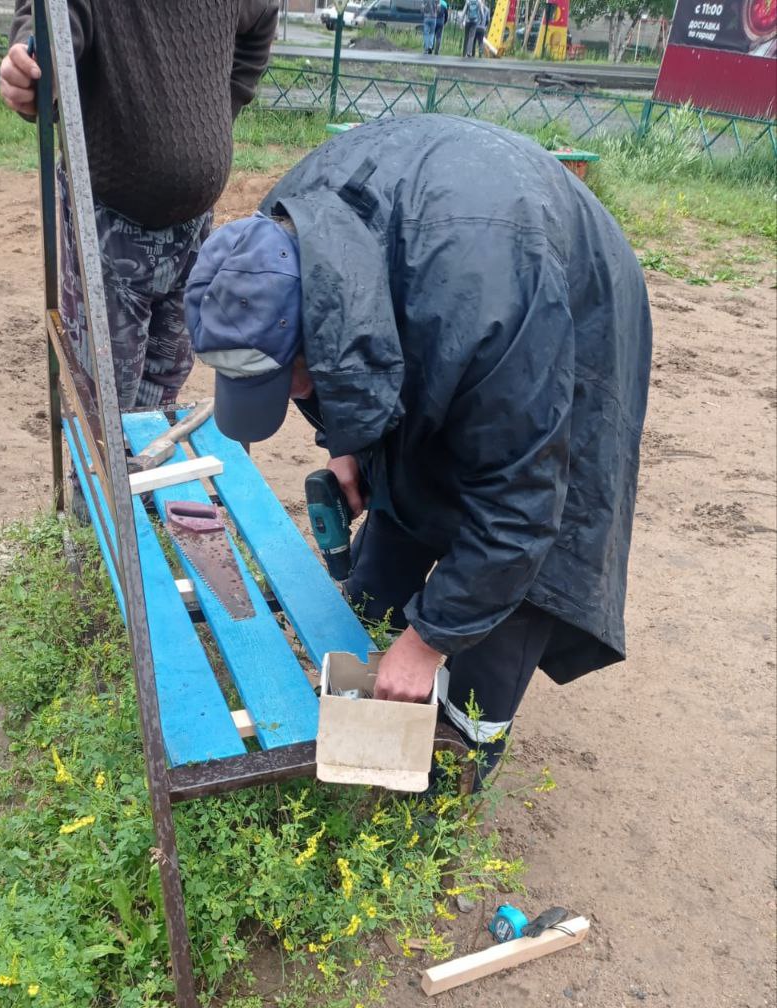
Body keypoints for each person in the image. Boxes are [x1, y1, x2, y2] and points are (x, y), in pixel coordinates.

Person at [184, 116, 651, 783]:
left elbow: (520, 502)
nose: (287, 397)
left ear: (316, 331)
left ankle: (457, 765)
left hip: (559, 295)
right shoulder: (275, 238)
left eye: (285, 378)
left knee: (520, 552)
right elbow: (359, 360)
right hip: (444, 261)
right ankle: (388, 651)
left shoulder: (485, 305)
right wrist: (344, 442)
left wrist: (429, 642)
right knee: (398, 508)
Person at [0, 1, 278, 412]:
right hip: (110, 223)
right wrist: (37, 69)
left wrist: (221, 106)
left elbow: (262, 17)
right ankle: (103, 456)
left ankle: (144, 453)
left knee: (164, 385)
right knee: (105, 398)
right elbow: (56, 22)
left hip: (193, 228)